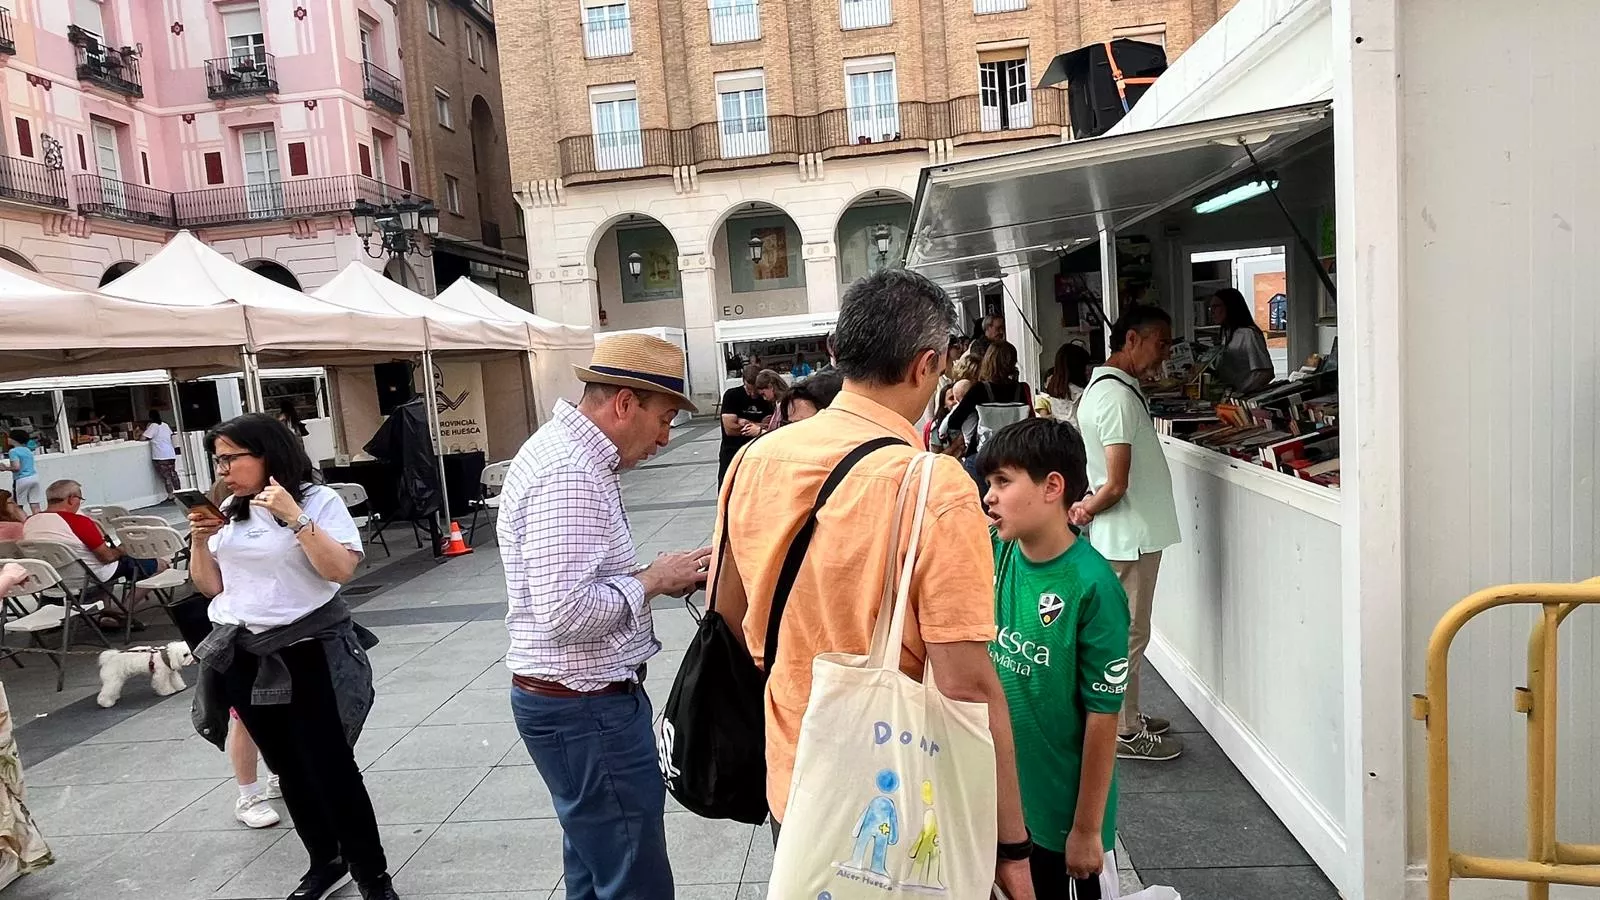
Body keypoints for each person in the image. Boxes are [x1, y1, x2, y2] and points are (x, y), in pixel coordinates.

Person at [710, 268, 1037, 900]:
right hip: (901, 787)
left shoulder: (756, 459)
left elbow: (729, 614)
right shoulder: (932, 485)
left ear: (838, 353)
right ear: (926, 364)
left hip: (796, 775)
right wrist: (1010, 844)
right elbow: (967, 683)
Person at [497, 333, 709, 900]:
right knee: (633, 878)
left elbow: (574, 586)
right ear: (623, 403)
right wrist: (651, 580)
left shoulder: (572, 457)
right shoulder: (569, 471)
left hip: (575, 702)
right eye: (664, 419)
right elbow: (566, 612)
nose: (666, 438)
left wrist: (652, 579)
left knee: (597, 869)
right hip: (583, 707)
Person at [186, 413, 398, 900]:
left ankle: (372, 874)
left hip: (306, 651)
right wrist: (199, 539)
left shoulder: (316, 500)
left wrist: (293, 517)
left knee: (332, 768)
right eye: (218, 461)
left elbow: (339, 570)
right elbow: (211, 586)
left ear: (267, 453)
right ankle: (325, 860)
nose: (224, 470)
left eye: (232, 458)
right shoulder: (230, 509)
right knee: (289, 769)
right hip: (243, 652)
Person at [980, 419, 1130, 898]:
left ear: (1052, 487)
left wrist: (1087, 830)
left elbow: (1104, 717)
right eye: (989, 483)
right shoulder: (997, 552)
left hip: (1060, 818)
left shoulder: (1094, 586)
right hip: (1003, 803)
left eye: (1003, 481)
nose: (990, 496)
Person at [1070, 305, 1183, 762]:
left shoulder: (1113, 390)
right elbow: (1115, 484)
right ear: (1131, 339)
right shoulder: (1115, 398)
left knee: (1128, 633)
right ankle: (1123, 729)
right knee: (1128, 636)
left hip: (1130, 534)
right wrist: (1084, 509)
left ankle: (1128, 715)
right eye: (1161, 343)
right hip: (1128, 537)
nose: (1165, 354)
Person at [22, 480, 167, 625]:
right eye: (80, 499)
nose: (80, 504)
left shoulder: (30, 522)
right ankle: (122, 611)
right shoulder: (78, 522)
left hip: (54, 580)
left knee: (103, 568)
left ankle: (106, 610)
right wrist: (123, 549)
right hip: (90, 575)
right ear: (72, 499)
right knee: (161, 566)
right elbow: (107, 557)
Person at [940, 340, 1034, 461]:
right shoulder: (1022, 389)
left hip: (985, 455)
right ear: (1013, 363)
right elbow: (1031, 420)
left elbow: (954, 422)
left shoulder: (980, 389)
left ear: (988, 361)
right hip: (1016, 453)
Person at [1208, 288, 1274, 393]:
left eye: (1216, 306)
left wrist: (1241, 391)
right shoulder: (1226, 333)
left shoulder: (1248, 334)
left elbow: (1266, 372)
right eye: (1210, 308)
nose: (1212, 312)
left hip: (1243, 398)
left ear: (1230, 306)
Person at [718, 364, 775, 483]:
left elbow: (771, 427)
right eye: (749, 390)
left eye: (756, 391)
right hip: (733, 452)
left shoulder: (766, 399)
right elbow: (730, 429)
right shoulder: (732, 395)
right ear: (744, 381)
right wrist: (759, 425)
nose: (753, 394)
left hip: (759, 453)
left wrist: (744, 422)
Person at [1036, 343, 1093, 427]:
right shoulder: (1079, 392)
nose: (1088, 370)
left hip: (1059, 433)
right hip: (1077, 434)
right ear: (1077, 367)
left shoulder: (1055, 387)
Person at [139, 411, 180, 496]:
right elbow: (171, 435)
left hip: (160, 455)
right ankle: (179, 492)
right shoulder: (165, 425)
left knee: (166, 476)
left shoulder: (153, 426)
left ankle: (171, 495)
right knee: (173, 473)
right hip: (170, 453)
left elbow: (143, 438)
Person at [3, 431, 40, 515]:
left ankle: (23, 523)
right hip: (34, 477)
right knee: (35, 504)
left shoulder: (13, 451)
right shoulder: (27, 450)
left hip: (22, 479)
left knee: (18, 505)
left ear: (13, 439)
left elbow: (16, 467)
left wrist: (5, 468)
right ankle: (40, 522)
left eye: (9, 437)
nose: (7, 439)